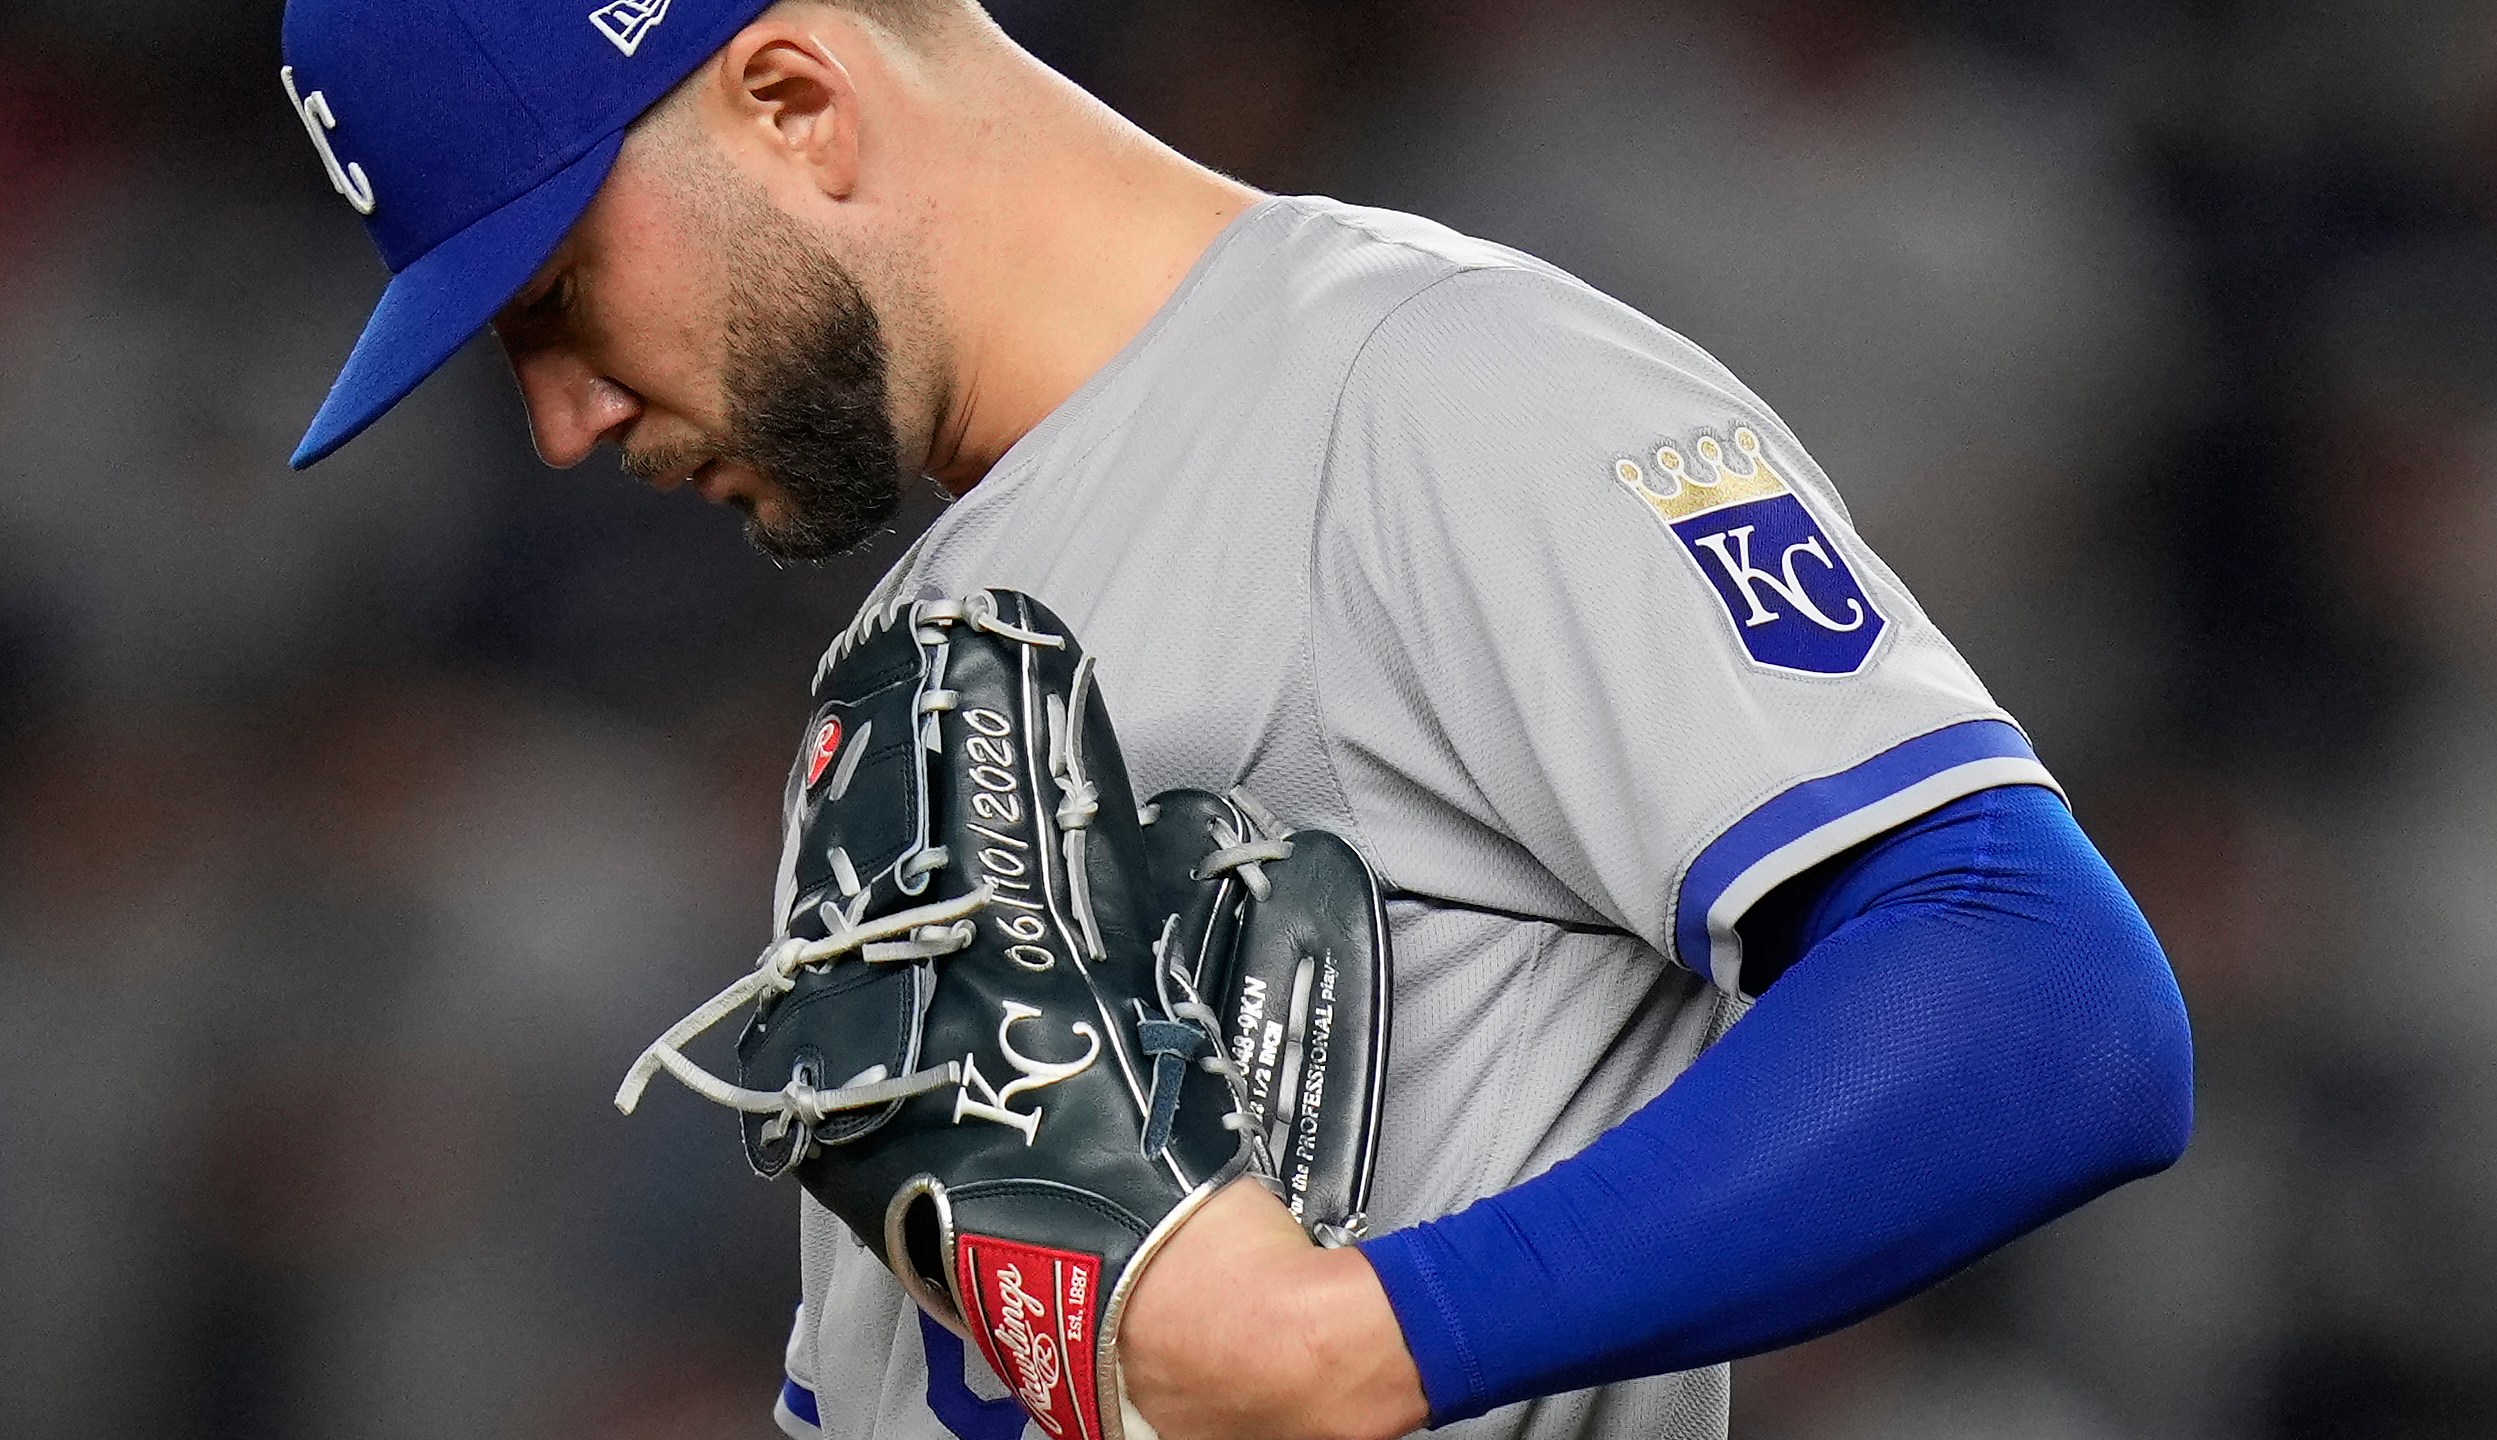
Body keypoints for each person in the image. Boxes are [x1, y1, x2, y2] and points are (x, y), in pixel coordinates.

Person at [276, 2, 2196, 1438]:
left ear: (795, 101)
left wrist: (1356, 1337)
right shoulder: (935, 632)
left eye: (551, 298)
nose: (558, 418)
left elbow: (2042, 994)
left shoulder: (1422, 388)